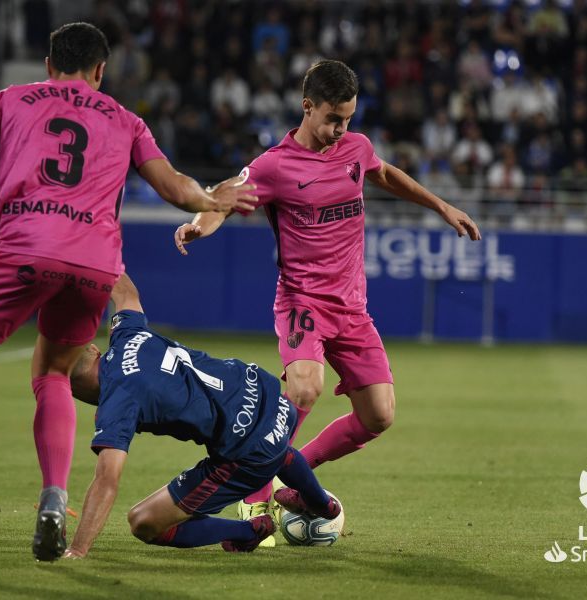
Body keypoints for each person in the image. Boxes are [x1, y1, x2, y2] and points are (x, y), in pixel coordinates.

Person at [0, 23, 257, 565]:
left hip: (26, 246)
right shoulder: (126, 119)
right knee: (54, 375)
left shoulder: (9, 100)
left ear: (49, 64)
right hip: (94, 265)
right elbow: (175, 188)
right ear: (101, 70)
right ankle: (53, 502)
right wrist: (215, 199)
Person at [174, 60, 480, 545]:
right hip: (302, 302)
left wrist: (441, 206)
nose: (341, 129)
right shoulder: (275, 165)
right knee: (304, 388)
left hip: (352, 308)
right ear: (307, 106)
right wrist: (199, 225)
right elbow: (225, 199)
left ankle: (296, 475)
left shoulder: (356, 148)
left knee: (379, 415)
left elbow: (385, 174)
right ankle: (253, 491)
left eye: (349, 118)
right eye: (333, 118)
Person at [64, 274, 339, 556]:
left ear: (67, 388)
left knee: (144, 522)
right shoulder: (127, 333)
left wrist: (77, 548)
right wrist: (90, 254)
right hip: (271, 398)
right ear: (94, 349)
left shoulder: (117, 401)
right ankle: (322, 504)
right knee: (271, 444)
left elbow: (107, 479)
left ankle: (248, 531)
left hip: (248, 450)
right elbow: (124, 291)